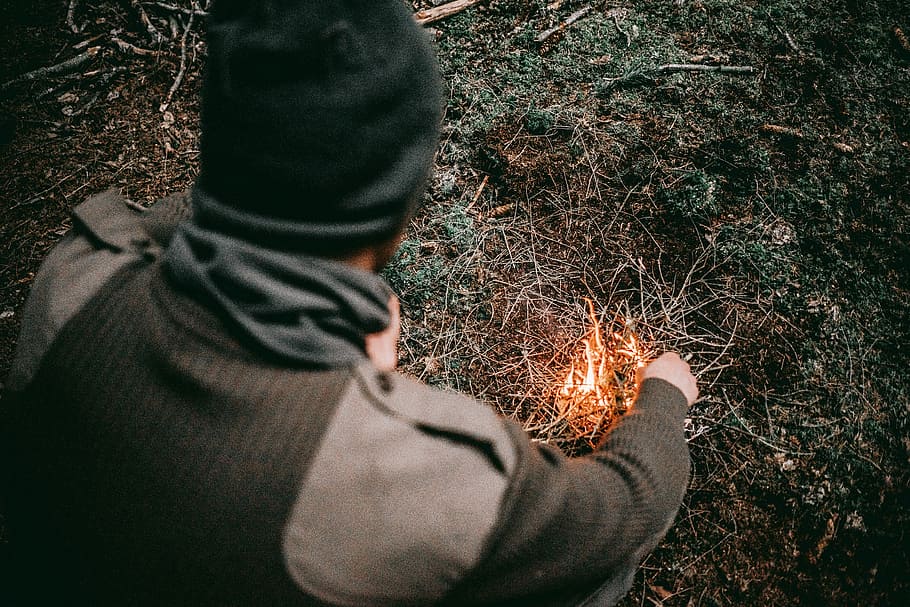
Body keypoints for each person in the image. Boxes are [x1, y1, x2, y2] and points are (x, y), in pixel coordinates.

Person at [1, 1, 698, 605]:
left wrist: (324, 325)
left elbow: (187, 218)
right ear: (395, 205)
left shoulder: (75, 277)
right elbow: (626, 505)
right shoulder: (407, 474)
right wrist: (663, 398)